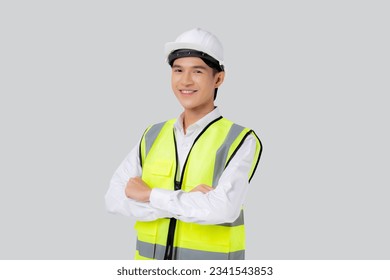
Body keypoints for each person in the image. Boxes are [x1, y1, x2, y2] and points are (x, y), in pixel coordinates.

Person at [105, 27, 262, 260]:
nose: (185, 80)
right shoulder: (152, 134)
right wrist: (190, 200)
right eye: (178, 70)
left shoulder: (240, 139)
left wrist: (149, 194)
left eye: (197, 71)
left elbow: (223, 209)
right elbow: (114, 199)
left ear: (218, 78)